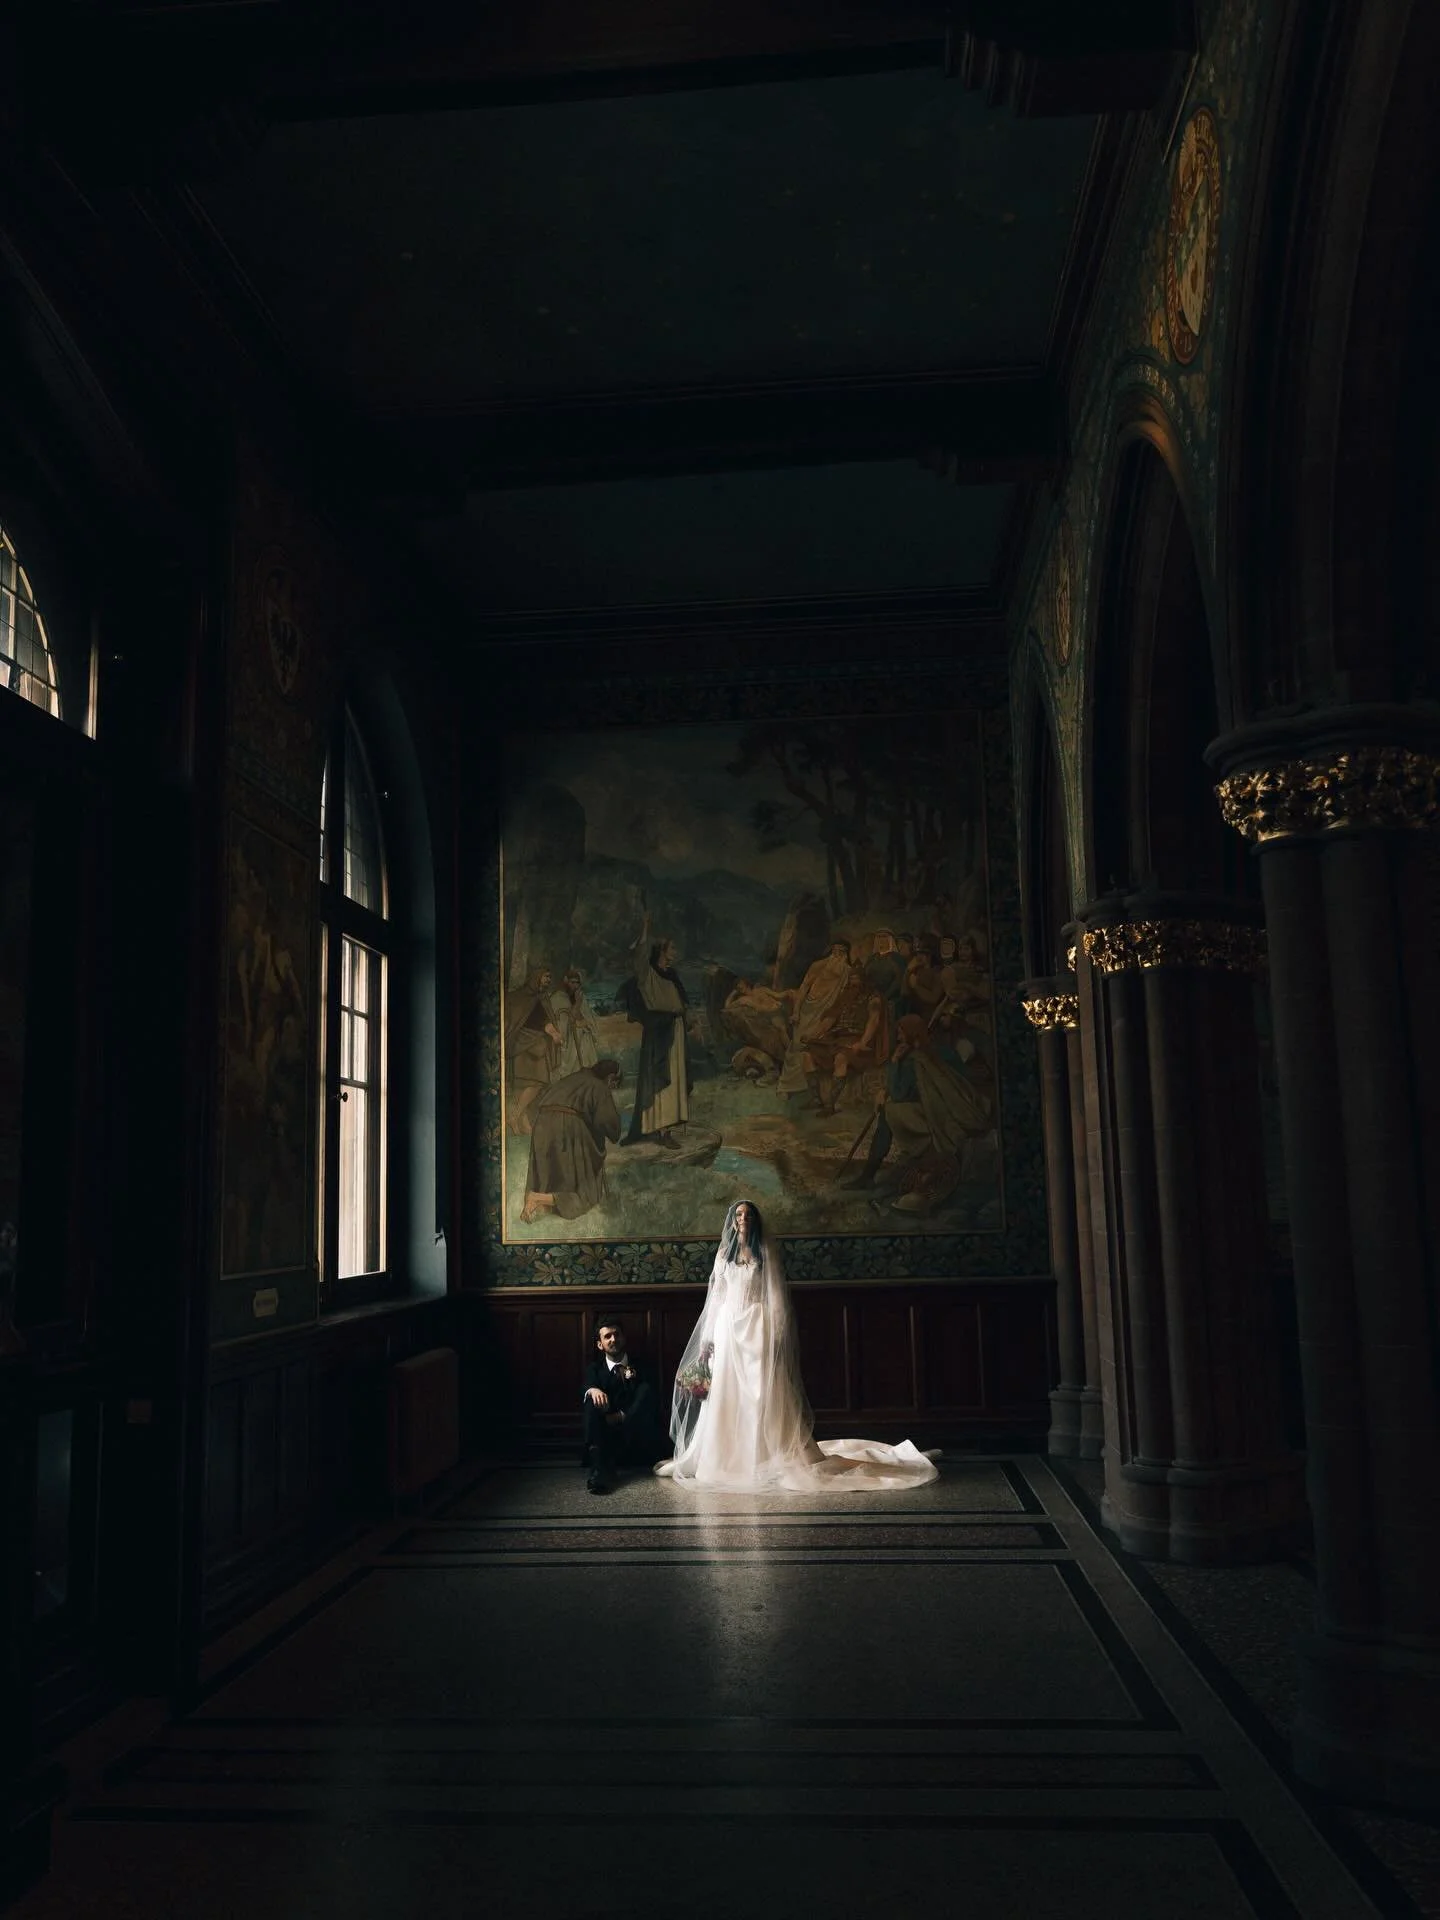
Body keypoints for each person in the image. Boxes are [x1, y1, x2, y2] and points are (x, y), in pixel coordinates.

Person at [655, 1199, 939, 1493]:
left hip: (756, 1325)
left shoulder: (764, 1252)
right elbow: (716, 1296)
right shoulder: (724, 1254)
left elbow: (776, 1295)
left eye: (748, 1214)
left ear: (755, 1219)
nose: (743, 1218)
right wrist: (709, 1340)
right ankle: (725, 1458)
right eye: (739, 1214)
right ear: (732, 1219)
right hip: (727, 1327)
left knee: (761, 1390)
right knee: (728, 1390)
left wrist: (777, 1333)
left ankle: (764, 1455)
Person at [520, 1059, 624, 1225]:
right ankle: (539, 1198)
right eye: (614, 1085)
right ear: (610, 1078)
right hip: (567, 1128)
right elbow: (611, 1127)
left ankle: (537, 1204)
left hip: (542, 1125)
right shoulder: (599, 1086)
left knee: (549, 1178)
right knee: (586, 1194)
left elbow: (538, 1105)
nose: (612, 1088)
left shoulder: (570, 1079)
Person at [620, 913, 692, 1142]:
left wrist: (690, 1022)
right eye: (672, 948)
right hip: (659, 1034)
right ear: (662, 950)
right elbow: (638, 955)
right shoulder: (648, 974)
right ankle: (661, 1130)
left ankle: (668, 1127)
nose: (675, 953)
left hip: (675, 1031)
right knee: (660, 1078)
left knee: (675, 1079)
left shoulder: (672, 975)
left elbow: (681, 1004)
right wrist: (645, 928)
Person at [582, 1314, 661, 1494]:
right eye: (607, 1336)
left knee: (646, 1389)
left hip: (636, 1437)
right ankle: (598, 1470)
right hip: (605, 1438)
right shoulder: (594, 1369)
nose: (613, 1339)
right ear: (600, 1344)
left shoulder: (642, 1366)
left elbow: (649, 1401)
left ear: (623, 1338)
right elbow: (586, 1386)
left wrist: (620, 1416)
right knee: (590, 1400)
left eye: (616, 1334)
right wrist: (592, 1390)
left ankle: (609, 1464)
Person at [549, 967, 600, 1077]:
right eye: (572, 982)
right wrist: (577, 1005)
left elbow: (588, 1020)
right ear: (565, 980)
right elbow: (565, 1025)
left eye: (577, 983)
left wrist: (579, 1005)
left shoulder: (579, 997)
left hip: (581, 1043)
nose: (575, 986)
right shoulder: (557, 998)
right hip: (567, 1045)